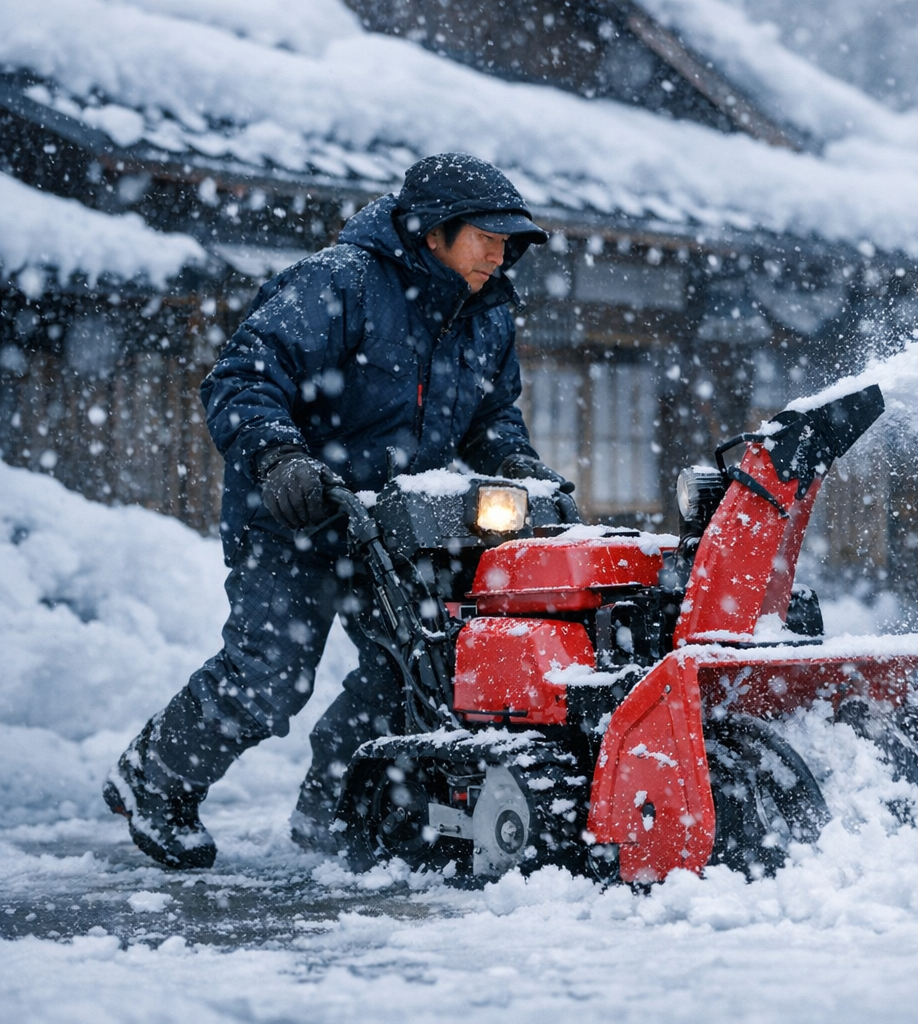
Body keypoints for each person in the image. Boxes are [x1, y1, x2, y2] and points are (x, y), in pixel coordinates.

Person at [103, 154, 574, 868]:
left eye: (509, 241)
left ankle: (335, 812)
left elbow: (491, 414)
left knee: (415, 669)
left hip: (395, 529)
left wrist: (512, 461)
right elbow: (242, 377)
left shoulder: (489, 311)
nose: (498, 253)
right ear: (432, 231)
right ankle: (154, 777)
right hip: (293, 514)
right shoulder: (341, 283)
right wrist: (279, 459)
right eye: (485, 235)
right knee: (271, 676)